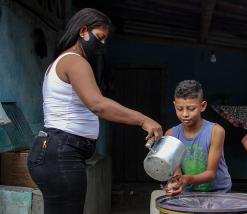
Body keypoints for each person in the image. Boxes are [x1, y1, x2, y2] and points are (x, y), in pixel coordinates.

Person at [27, 8, 162, 214]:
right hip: (61, 152)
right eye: (99, 37)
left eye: (105, 39)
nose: (102, 44)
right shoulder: (74, 61)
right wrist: (143, 120)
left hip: (55, 151)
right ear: (83, 31)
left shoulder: (63, 61)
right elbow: (97, 104)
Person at [164, 80, 232, 195]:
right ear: (174, 105)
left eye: (191, 109)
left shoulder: (216, 131)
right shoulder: (171, 135)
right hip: (188, 192)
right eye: (180, 109)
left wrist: (186, 179)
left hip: (218, 192)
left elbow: (211, 173)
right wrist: (176, 184)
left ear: (202, 106)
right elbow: (177, 172)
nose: (185, 114)